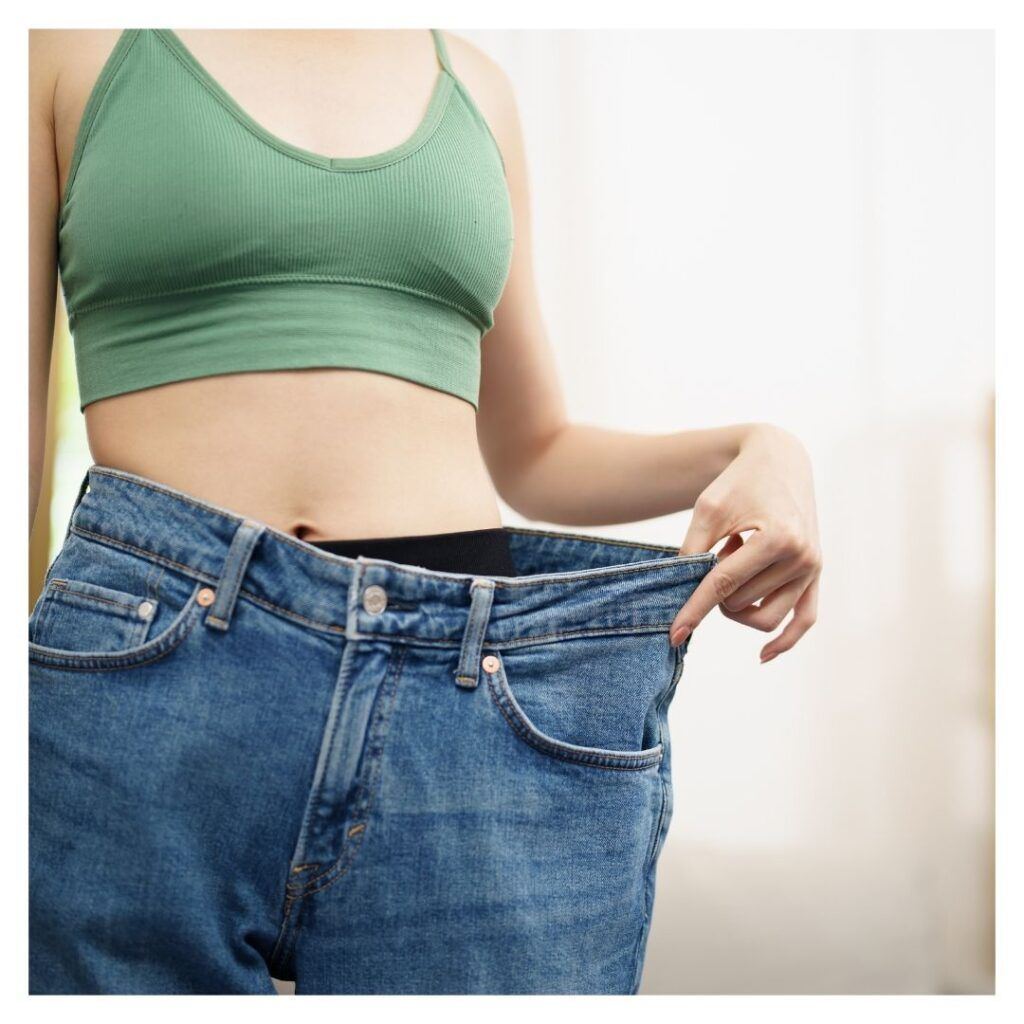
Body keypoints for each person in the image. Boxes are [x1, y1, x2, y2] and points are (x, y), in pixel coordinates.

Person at [28, 28, 822, 995]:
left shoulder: (475, 91)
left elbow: (535, 453)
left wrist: (756, 450)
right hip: (158, 674)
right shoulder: (65, 48)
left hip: (471, 684)